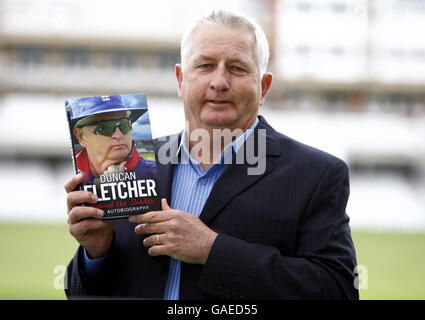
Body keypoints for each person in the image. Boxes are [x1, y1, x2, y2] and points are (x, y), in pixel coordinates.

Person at [65, 10, 358, 299]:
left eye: (237, 68)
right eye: (205, 66)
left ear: (263, 86)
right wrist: (95, 253)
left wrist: (212, 249)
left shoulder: (316, 175)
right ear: (181, 79)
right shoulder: (131, 167)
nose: (219, 81)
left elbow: (339, 289)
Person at [69, 95, 157, 184]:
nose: (119, 135)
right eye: (105, 127)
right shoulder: (69, 177)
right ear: (81, 137)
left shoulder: (156, 175)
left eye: (124, 124)